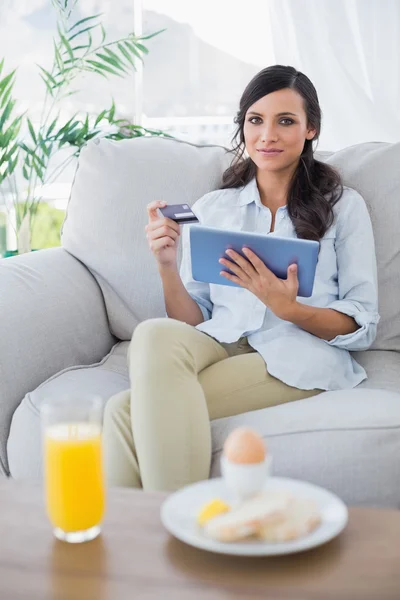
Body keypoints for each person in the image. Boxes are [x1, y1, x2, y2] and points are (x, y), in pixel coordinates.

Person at [102, 65, 379, 491]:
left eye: (285, 121)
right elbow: (192, 323)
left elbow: (363, 322)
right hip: (221, 342)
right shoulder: (211, 208)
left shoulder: (343, 207)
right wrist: (166, 265)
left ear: (311, 130)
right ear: (243, 127)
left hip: (294, 356)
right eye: (255, 120)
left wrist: (290, 308)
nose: (267, 135)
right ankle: (161, 535)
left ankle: (169, 531)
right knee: (154, 334)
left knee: (124, 412)